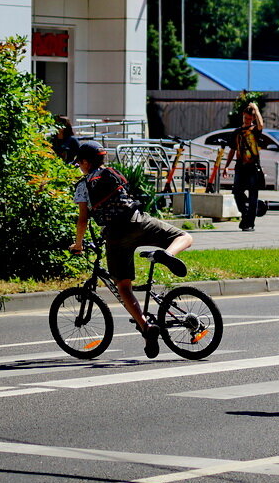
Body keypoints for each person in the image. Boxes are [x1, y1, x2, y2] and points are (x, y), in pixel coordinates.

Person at [69, 141, 192, 359]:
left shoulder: (83, 185)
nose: (79, 167)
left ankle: (145, 326)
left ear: (86, 163)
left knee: (124, 287)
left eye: (79, 163)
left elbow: (82, 220)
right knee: (183, 236)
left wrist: (78, 244)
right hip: (138, 222)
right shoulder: (112, 173)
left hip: (116, 235)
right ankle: (169, 254)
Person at [222, 103, 264, 232]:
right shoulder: (237, 132)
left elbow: (261, 124)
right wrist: (226, 166)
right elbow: (232, 150)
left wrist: (256, 109)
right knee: (236, 192)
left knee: (253, 195)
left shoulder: (255, 130)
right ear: (243, 116)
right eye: (245, 118)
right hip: (240, 166)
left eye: (249, 118)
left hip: (253, 166)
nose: (247, 120)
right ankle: (245, 216)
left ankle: (249, 223)